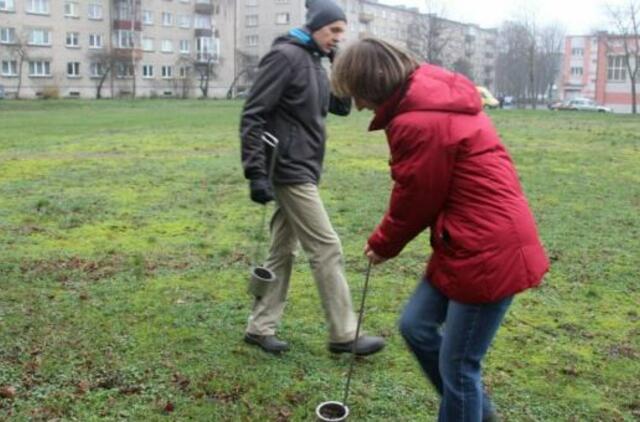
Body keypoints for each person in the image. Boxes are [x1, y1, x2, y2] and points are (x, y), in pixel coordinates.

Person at [331, 38, 549, 421]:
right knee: (416, 326)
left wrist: (383, 244)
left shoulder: (418, 119)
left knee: (459, 367)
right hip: (464, 241)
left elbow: (417, 195)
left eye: (357, 95)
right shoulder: (426, 100)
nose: (359, 106)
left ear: (372, 83)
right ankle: (478, 412)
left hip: (487, 249)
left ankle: (467, 408)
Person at [239, 1, 385, 356]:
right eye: (333, 31)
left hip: (305, 166)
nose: (337, 38)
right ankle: (344, 334)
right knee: (326, 246)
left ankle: (259, 328)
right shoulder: (285, 57)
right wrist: (255, 172)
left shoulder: (314, 61)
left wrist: (338, 66)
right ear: (315, 27)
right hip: (289, 170)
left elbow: (339, 107)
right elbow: (253, 115)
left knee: (281, 250)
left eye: (341, 33)